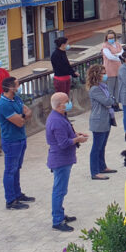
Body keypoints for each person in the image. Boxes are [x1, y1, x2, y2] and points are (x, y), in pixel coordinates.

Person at [45, 92, 87, 232]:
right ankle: (57, 219)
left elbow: (66, 135)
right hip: (60, 159)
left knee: (61, 189)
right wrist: (77, 140)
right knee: (59, 190)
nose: (69, 103)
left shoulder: (60, 117)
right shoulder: (56, 121)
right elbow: (63, 143)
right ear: (59, 105)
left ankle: (60, 213)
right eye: (66, 101)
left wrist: (76, 135)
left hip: (64, 158)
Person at [0, 75, 35, 210]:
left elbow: (29, 112)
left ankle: (17, 194)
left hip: (21, 138)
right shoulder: (3, 104)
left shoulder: (16, 99)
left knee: (17, 168)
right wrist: (23, 116)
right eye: (17, 85)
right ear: (10, 88)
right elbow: (19, 122)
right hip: (11, 140)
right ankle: (10, 200)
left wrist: (23, 116)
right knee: (10, 170)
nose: (19, 87)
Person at [86, 64, 116, 180]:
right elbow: (108, 101)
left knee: (102, 145)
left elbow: (110, 99)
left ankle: (102, 166)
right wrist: (111, 99)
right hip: (98, 121)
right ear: (96, 75)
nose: (105, 75)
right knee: (96, 147)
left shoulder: (104, 86)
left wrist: (111, 99)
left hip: (106, 119)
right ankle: (94, 171)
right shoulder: (95, 89)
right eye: (103, 73)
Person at [102, 30, 124, 110]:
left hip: (118, 68)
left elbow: (122, 52)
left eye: (112, 37)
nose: (111, 39)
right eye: (109, 38)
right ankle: (111, 104)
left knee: (117, 88)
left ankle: (116, 103)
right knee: (110, 88)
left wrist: (117, 55)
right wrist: (118, 57)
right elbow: (109, 56)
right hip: (109, 69)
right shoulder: (105, 46)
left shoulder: (117, 44)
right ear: (106, 38)